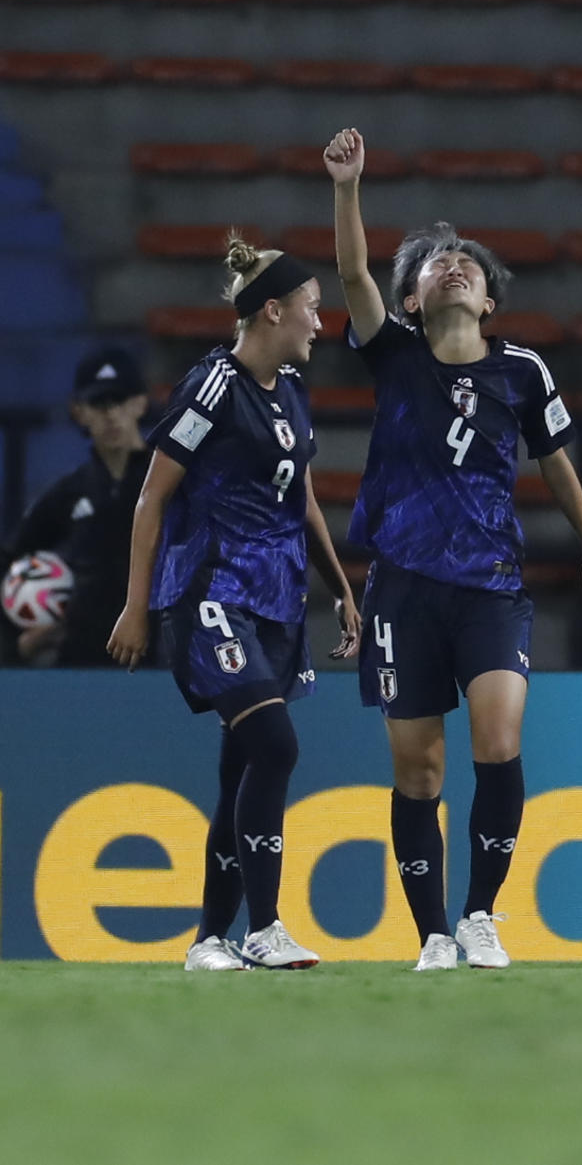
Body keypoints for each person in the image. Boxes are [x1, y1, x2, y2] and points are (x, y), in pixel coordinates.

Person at [325, 128, 582, 972]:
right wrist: (348, 190)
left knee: (498, 737)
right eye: (434, 264)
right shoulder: (395, 356)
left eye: (468, 265)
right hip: (402, 589)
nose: (453, 267)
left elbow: (557, 463)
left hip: (489, 583)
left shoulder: (523, 372)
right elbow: (350, 276)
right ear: (409, 299)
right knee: (418, 770)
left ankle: (482, 913)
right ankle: (433, 936)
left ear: (490, 302)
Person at [107, 236, 359, 971]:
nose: (320, 323)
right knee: (276, 744)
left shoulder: (291, 393)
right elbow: (153, 497)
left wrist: (342, 588)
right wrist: (136, 605)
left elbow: (305, 501)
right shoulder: (212, 387)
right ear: (272, 309)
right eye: (312, 309)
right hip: (211, 592)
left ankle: (208, 940)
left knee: (240, 769)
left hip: (274, 602)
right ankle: (266, 926)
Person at [2, 346, 154, 665]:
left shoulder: (171, 482)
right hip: (83, 665)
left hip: (161, 660)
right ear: (78, 411)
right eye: (98, 403)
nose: (111, 414)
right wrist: (16, 645)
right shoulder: (68, 493)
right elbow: (12, 559)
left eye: (120, 400)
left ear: (140, 403)